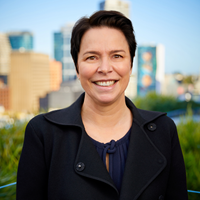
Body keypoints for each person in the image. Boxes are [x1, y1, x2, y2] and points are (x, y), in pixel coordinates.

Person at [17, 10, 188, 200]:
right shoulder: (43, 133)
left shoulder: (164, 131)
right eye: (92, 57)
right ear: (77, 67)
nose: (105, 69)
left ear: (131, 64)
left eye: (117, 56)